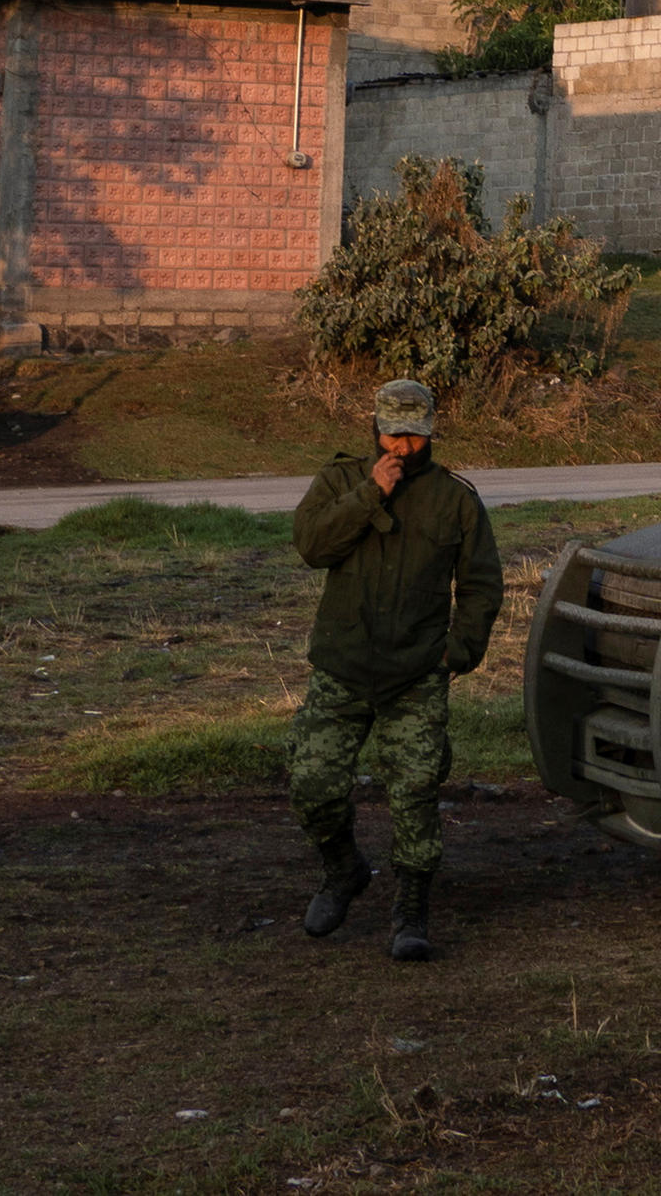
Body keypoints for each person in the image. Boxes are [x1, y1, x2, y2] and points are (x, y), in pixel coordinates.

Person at [287, 374, 505, 961]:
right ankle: (343, 872)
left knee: (414, 791)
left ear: (430, 432)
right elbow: (311, 547)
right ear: (374, 429)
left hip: (415, 674)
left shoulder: (455, 499)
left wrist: (457, 652)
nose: (402, 448)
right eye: (392, 435)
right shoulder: (339, 480)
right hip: (343, 666)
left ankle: (411, 909)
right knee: (312, 784)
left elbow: (482, 584)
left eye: (413, 436)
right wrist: (369, 495)